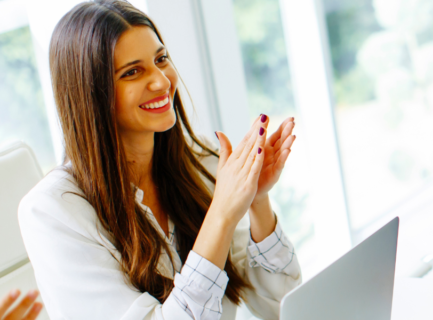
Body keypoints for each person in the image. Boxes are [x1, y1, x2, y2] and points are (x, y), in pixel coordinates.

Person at [17, 1, 300, 319]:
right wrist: (221, 213)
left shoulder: (199, 163)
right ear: (91, 94)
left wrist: (257, 201)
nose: (163, 82)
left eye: (161, 59)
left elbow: (278, 306)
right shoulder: (53, 211)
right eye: (133, 72)